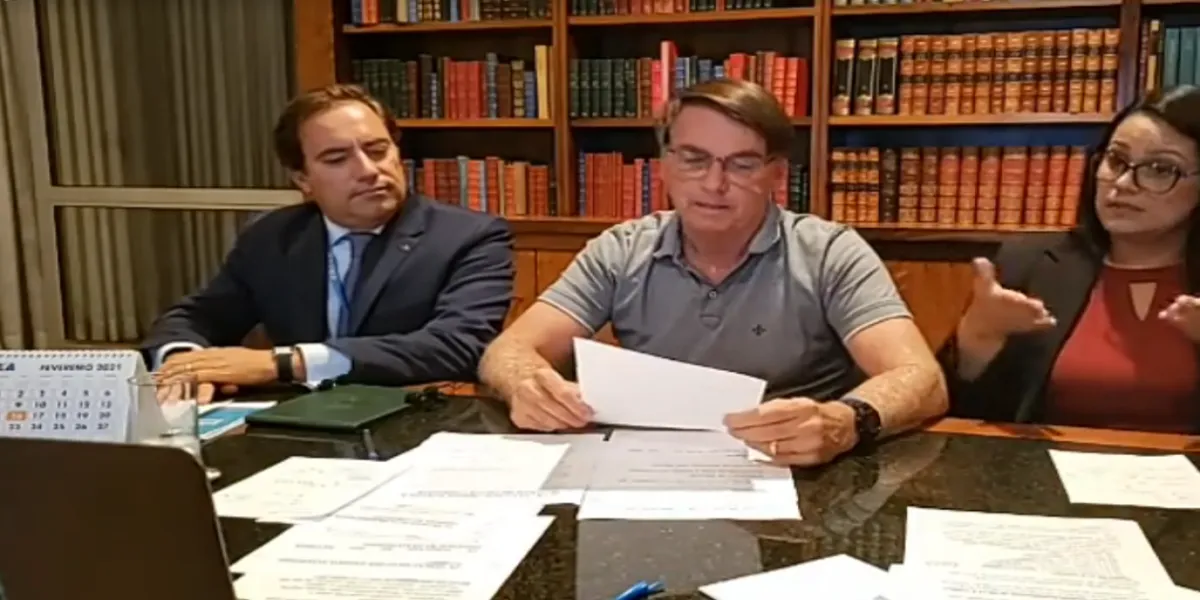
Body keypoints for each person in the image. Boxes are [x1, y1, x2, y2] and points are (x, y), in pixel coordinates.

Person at [478, 79, 948, 466]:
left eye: (742, 164)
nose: (714, 183)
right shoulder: (621, 249)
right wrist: (527, 386)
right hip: (647, 468)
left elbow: (922, 379)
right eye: (693, 158)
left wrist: (846, 421)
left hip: (792, 472)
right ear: (664, 165)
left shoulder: (829, 252)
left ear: (776, 174)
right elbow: (508, 350)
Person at [141, 84, 514, 402]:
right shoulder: (273, 235)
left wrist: (283, 363)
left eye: (378, 150)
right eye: (337, 159)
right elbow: (198, 317)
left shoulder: (468, 237)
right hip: (295, 424)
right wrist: (185, 364)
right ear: (302, 179)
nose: (368, 170)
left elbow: (456, 345)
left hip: (417, 419)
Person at [941, 86, 1200, 434]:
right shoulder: (1030, 262)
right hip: (1046, 467)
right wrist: (977, 337)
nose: (1123, 183)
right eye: (1116, 160)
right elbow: (964, 422)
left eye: (1160, 169)